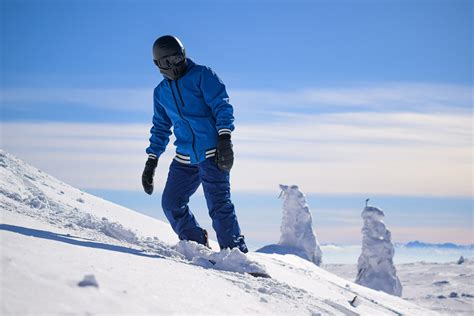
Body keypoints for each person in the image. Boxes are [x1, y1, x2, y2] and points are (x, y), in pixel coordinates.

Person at [141, 35, 248, 253]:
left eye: (178, 58)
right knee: (171, 204)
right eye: (167, 62)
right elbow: (160, 127)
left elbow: (222, 105)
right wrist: (151, 161)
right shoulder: (160, 92)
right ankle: (196, 243)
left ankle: (236, 255)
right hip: (184, 158)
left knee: (219, 206)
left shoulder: (202, 75)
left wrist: (225, 139)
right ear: (158, 64)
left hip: (212, 153)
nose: (174, 65)